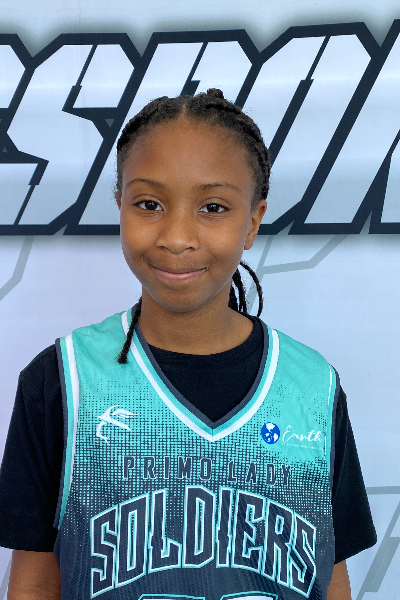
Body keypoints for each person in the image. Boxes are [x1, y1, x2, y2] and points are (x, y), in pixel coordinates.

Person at [0, 88, 376, 600]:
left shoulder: (312, 387)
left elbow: (330, 577)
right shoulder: (62, 381)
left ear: (253, 221)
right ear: (120, 205)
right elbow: (36, 582)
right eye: (149, 204)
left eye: (213, 207)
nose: (177, 237)